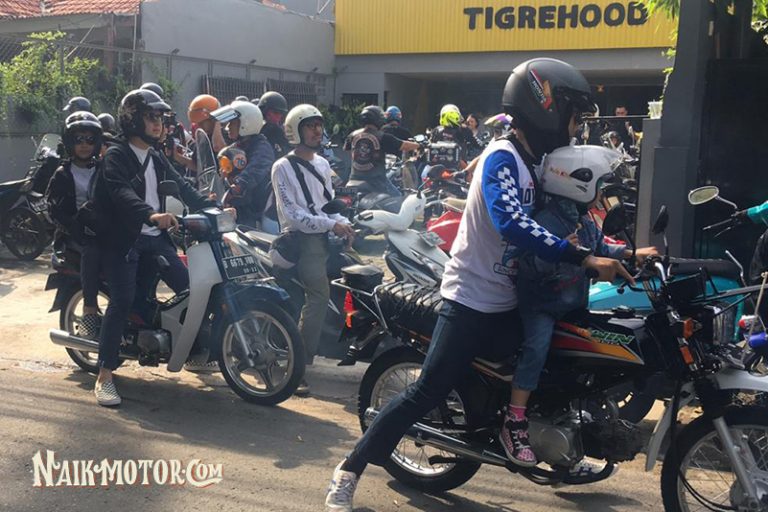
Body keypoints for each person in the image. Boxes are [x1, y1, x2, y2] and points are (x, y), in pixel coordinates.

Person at [324, 58, 633, 512]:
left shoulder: (539, 163)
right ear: (545, 108)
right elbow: (511, 222)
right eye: (573, 116)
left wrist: (623, 253)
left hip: (515, 300)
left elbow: (570, 220)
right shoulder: (501, 159)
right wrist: (582, 258)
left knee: (560, 369)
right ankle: (349, 470)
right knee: (427, 391)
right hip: (471, 300)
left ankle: (557, 448)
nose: (575, 127)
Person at [505, 145, 658, 465]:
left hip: (573, 303)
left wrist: (632, 254)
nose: (601, 193)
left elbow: (600, 246)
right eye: (598, 186)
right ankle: (514, 420)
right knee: (536, 350)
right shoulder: (548, 221)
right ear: (577, 184)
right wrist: (561, 251)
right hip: (543, 306)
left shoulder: (583, 218)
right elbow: (529, 267)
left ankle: (570, 421)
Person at [92, 89, 215, 407]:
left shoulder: (156, 156)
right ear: (132, 120)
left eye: (160, 118)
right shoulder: (116, 155)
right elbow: (121, 193)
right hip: (124, 240)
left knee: (191, 287)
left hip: (155, 239)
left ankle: (187, 348)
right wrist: (150, 215)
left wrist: (213, 208)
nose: (158, 124)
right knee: (122, 300)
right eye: (150, 117)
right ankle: (104, 375)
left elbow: (182, 186)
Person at [272, 104, 354, 396]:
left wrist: (345, 224)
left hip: (327, 236)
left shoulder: (322, 164)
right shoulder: (282, 167)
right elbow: (293, 215)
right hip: (303, 239)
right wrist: (331, 225)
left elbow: (328, 206)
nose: (317, 131)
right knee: (319, 296)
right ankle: (298, 367)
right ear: (296, 130)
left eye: (319, 125)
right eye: (310, 126)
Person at [46, 111, 105, 339]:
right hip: (75, 235)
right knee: (92, 251)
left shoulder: (103, 169)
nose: (84, 145)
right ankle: (90, 308)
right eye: (78, 139)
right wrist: (77, 228)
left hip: (104, 229)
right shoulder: (62, 174)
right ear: (69, 142)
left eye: (89, 139)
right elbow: (54, 211)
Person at [212, 100, 275, 228]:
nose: (228, 127)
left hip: (256, 212)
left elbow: (254, 171)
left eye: (232, 122)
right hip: (239, 207)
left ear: (246, 124)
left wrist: (238, 186)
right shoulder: (238, 146)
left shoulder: (262, 147)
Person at [343, 105, 420, 197]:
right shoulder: (382, 137)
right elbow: (404, 145)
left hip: (353, 180)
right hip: (377, 182)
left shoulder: (352, 135)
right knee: (398, 198)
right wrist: (419, 145)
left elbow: (347, 149)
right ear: (378, 119)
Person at [257, 91, 291, 159]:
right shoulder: (254, 131)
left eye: (281, 113)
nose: (279, 116)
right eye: (275, 112)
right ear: (264, 112)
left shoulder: (280, 132)